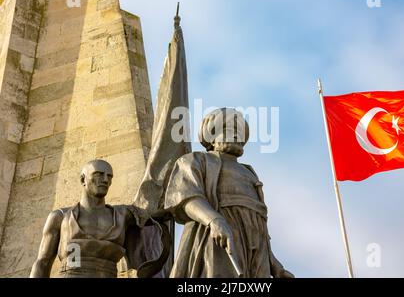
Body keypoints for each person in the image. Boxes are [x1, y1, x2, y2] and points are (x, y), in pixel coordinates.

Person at [165, 108, 294, 278]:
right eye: (228, 131)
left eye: (239, 132)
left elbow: (259, 225)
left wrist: (275, 266)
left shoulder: (249, 173)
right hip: (217, 240)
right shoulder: (196, 160)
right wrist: (214, 220)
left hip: (256, 253)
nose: (235, 136)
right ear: (211, 135)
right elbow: (187, 197)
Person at [30, 159, 168, 278]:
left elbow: (158, 208)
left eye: (109, 176)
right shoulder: (60, 217)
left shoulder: (123, 215)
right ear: (83, 179)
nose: (105, 180)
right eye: (98, 174)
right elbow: (43, 262)